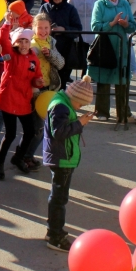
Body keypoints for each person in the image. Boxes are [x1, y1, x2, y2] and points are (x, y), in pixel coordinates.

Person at [42, 79, 95, 252]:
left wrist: (78, 122)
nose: (80, 107)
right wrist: (80, 123)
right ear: (74, 96)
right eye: (80, 103)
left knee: (58, 197)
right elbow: (59, 132)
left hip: (63, 157)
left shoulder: (63, 103)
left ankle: (53, 231)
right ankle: (55, 235)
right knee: (59, 199)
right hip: (62, 159)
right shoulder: (61, 107)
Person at [0, 20, 44, 179]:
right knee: (10, 134)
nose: (23, 44)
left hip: (23, 99)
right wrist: (7, 24)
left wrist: (38, 82)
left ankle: (18, 157)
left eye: (26, 41)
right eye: (20, 41)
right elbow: (2, 40)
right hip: (8, 98)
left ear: (30, 43)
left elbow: (37, 76)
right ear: (15, 43)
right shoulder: (11, 55)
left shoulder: (33, 58)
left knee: (30, 132)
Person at [90, 0, 136, 129]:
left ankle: (123, 112)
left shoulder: (124, 4)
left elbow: (133, 25)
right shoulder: (99, 5)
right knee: (104, 79)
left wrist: (125, 24)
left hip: (121, 47)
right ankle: (102, 112)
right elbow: (95, 26)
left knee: (122, 80)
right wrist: (111, 24)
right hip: (105, 47)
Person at [40, 0, 82, 85]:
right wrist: (47, 29)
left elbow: (78, 29)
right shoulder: (45, 8)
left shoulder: (70, 9)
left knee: (62, 81)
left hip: (65, 50)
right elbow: (37, 24)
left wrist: (64, 29)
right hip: (46, 47)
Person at [67, 0, 97, 76]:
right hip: (79, 33)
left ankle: (87, 76)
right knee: (78, 54)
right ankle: (70, 75)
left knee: (90, 56)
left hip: (91, 32)